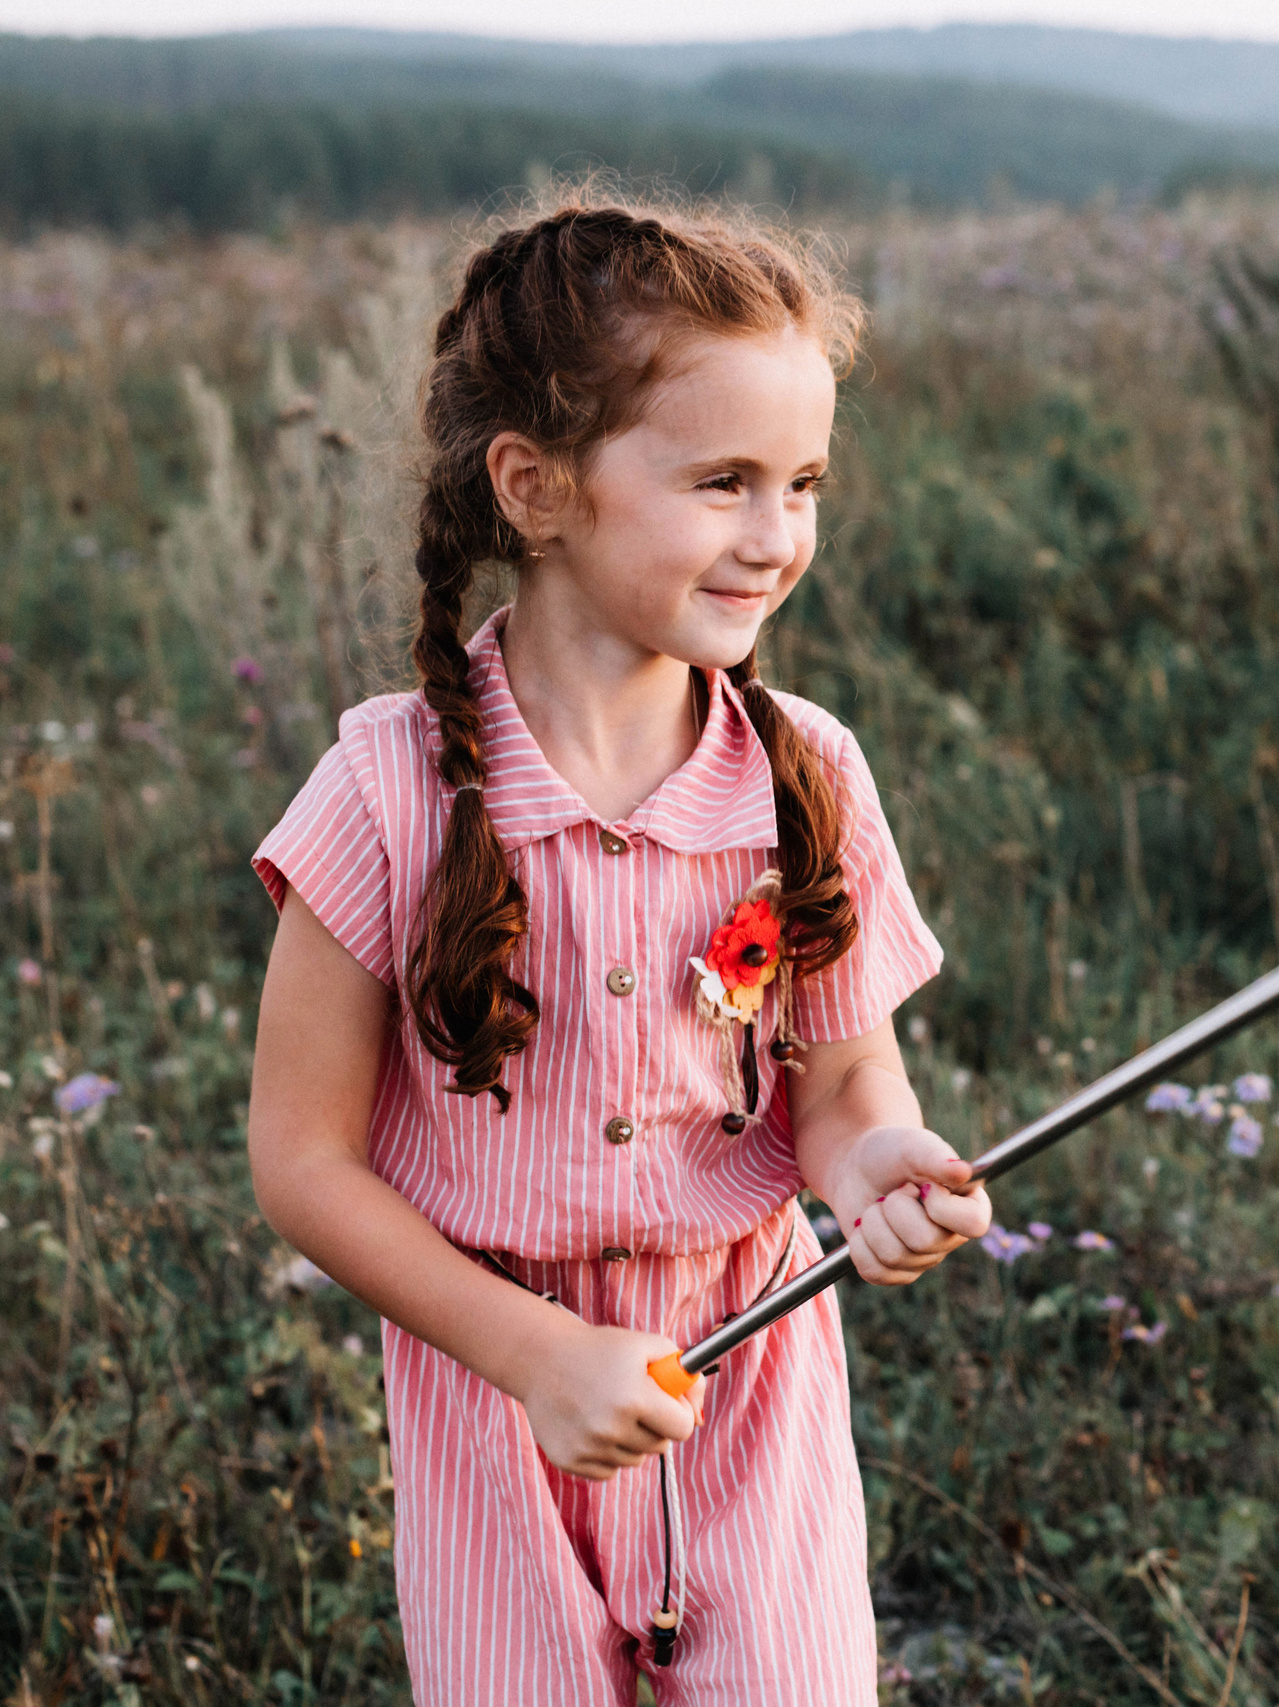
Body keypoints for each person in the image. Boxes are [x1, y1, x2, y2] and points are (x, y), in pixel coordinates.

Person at [244, 192, 992, 1705]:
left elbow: (846, 1086)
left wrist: (873, 1173)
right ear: (536, 485)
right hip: (495, 1391)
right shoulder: (387, 789)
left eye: (805, 484)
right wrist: (529, 1354)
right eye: (723, 481)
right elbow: (303, 1161)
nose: (778, 537)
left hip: (752, 1364)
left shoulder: (809, 776)